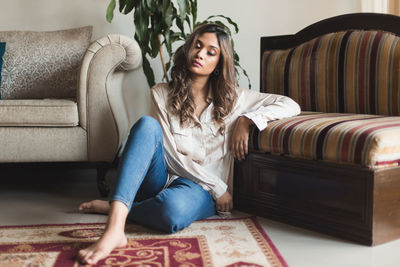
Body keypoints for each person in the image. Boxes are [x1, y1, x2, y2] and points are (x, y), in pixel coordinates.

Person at [77, 23, 300, 265]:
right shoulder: (161, 93)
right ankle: (114, 230)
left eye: (211, 52)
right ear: (188, 49)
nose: (200, 54)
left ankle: (118, 207)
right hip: (162, 178)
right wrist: (217, 186)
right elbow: (170, 153)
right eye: (197, 45)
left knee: (170, 213)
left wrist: (247, 120)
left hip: (197, 190)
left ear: (219, 63)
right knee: (146, 126)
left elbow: (290, 104)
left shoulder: (236, 99)